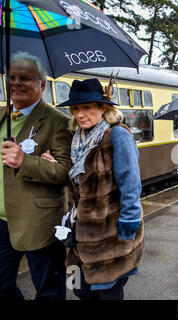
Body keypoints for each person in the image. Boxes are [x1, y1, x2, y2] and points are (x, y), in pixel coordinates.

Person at [45, 78, 145, 300]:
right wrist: (55, 164)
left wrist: (129, 221)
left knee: (108, 292)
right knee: (81, 289)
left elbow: (131, 183)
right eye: (76, 108)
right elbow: (77, 182)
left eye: (87, 107)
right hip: (82, 233)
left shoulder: (117, 135)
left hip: (110, 235)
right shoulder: (77, 139)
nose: (80, 114)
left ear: (104, 108)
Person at [0, 52, 72, 300]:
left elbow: (65, 171)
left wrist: (25, 161)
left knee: (49, 291)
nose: (16, 83)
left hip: (40, 221)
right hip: (1, 221)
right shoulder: (2, 116)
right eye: (12, 77)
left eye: (26, 78)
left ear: (42, 85)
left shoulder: (59, 122)